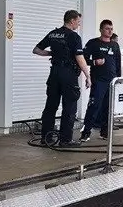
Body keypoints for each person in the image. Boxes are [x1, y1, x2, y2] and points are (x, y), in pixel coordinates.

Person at [33, 9, 91, 147]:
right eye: (78, 21)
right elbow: (79, 57)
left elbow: (36, 50)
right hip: (68, 75)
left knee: (50, 106)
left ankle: (46, 138)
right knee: (69, 107)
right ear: (72, 20)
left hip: (54, 73)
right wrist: (88, 75)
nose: (78, 24)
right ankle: (65, 140)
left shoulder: (53, 34)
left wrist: (51, 53)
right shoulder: (74, 36)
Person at [80, 19, 121, 142]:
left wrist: (119, 79)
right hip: (98, 81)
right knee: (94, 106)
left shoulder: (115, 45)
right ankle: (86, 132)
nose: (110, 31)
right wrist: (94, 62)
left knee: (108, 107)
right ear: (101, 30)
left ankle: (105, 132)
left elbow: (118, 63)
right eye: (107, 28)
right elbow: (82, 58)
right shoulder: (93, 43)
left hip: (112, 81)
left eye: (111, 29)